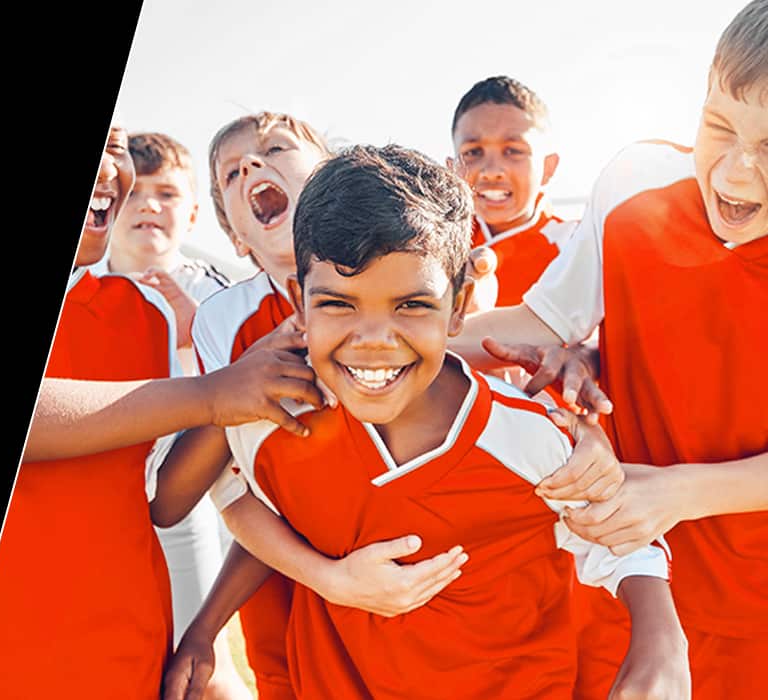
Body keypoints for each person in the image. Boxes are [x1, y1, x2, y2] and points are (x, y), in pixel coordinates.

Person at [161, 144, 688, 700]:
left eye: (411, 305)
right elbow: (237, 499)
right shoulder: (271, 422)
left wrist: (660, 642)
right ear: (299, 301)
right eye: (339, 304)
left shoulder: (527, 435)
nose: (373, 341)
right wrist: (308, 588)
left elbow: (624, 541)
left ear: (458, 306)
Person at [0, 125, 353, 700]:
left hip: (122, 653)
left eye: (114, 147)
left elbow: (162, 500)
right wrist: (220, 392)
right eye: (232, 169)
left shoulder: (148, 317)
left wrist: (241, 390)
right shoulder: (217, 329)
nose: (110, 170)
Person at [453, 3, 768, 696]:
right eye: (720, 127)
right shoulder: (635, 184)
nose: (737, 176)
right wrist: (395, 334)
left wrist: (678, 492)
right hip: (630, 579)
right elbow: (543, 322)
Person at [85, 130, 249, 700]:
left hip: (183, 504)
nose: (149, 205)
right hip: (95, 504)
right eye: (136, 194)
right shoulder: (87, 289)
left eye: (168, 194)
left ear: (196, 212)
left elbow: (239, 384)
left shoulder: (215, 292)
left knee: (200, 667)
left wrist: (191, 337)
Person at [449, 76, 576, 309]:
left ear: (548, 168)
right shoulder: (428, 247)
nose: (491, 171)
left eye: (513, 151)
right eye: (473, 152)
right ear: (452, 169)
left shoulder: (576, 248)